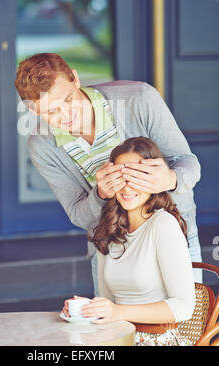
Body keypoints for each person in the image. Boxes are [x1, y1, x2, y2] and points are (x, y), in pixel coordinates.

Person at [14, 52, 202, 293]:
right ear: (35, 111)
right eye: (51, 112)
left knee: (186, 326)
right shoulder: (42, 146)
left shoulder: (140, 99)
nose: (66, 117)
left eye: (69, 100)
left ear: (75, 78)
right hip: (111, 249)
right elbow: (78, 214)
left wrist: (171, 179)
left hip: (174, 234)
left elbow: (187, 162)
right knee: (115, 329)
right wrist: (100, 195)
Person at [62, 137, 196, 346]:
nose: (127, 186)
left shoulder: (163, 225)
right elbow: (108, 304)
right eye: (120, 176)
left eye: (137, 176)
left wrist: (117, 312)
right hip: (119, 339)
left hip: (156, 340)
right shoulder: (108, 229)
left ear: (153, 178)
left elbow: (184, 307)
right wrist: (87, 309)